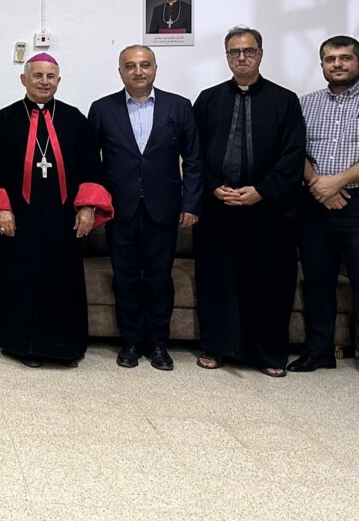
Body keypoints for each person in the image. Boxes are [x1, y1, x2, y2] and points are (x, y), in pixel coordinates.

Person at [0, 53, 113, 368]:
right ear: (23, 79)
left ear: (58, 81)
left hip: (64, 219)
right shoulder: (5, 119)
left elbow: (91, 166)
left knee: (63, 280)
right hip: (18, 218)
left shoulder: (75, 119)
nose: (44, 82)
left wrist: (87, 207)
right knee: (20, 280)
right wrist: (1, 208)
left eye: (50, 76)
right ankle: (21, 346)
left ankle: (65, 348)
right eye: (37, 75)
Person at [193, 26, 305, 377]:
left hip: (268, 211)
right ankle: (216, 347)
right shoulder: (208, 99)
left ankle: (269, 354)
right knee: (217, 282)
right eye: (234, 52)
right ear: (227, 56)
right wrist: (213, 187)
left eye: (249, 51)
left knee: (269, 283)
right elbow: (194, 153)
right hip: (218, 208)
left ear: (260, 54)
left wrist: (263, 190)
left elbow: (293, 155)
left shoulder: (285, 100)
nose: (242, 57)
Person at [88, 45, 203, 372]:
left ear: (155, 68)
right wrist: (94, 204)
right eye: (130, 66)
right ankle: (130, 342)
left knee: (159, 279)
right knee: (124, 279)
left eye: (145, 65)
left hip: (163, 210)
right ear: (120, 71)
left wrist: (191, 203)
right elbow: (90, 162)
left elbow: (194, 159)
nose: (138, 71)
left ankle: (158, 344)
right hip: (119, 210)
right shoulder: (102, 109)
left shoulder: (179, 107)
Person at [288, 35, 359, 372]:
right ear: (322, 65)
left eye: (345, 58)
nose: (337, 64)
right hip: (314, 203)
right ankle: (319, 352)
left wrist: (337, 183)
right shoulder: (306, 104)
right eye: (330, 59)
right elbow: (293, 149)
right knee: (317, 280)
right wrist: (319, 184)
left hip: (356, 201)